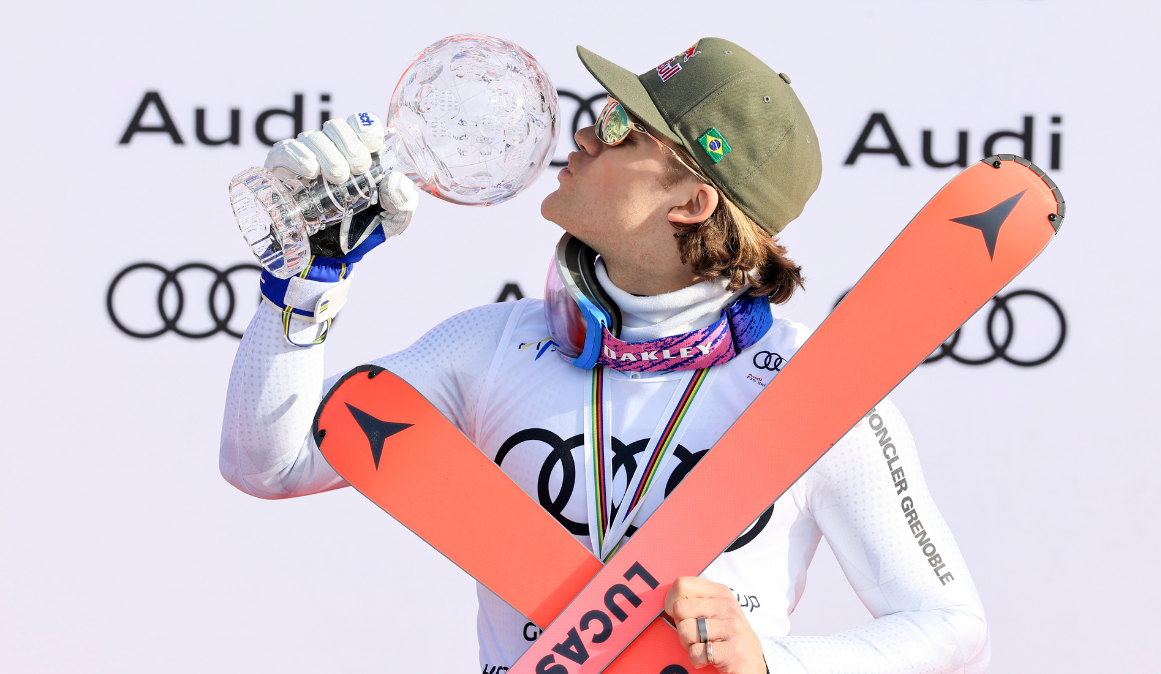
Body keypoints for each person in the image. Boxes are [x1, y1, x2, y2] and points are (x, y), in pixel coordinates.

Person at [221, 37, 990, 674]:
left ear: (692, 203)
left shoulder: (814, 392)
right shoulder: (492, 345)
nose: (588, 132)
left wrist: (773, 663)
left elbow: (951, 626)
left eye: (624, 126)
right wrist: (304, 284)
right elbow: (269, 465)